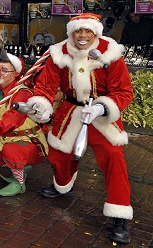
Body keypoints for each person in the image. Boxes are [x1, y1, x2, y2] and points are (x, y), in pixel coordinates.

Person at [26, 13, 134, 244]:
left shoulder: (110, 53)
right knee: (57, 155)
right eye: (78, 31)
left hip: (102, 115)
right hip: (71, 111)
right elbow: (46, 85)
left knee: (114, 157)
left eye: (88, 32)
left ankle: (119, 213)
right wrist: (41, 105)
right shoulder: (60, 52)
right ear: (71, 32)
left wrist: (103, 108)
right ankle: (63, 186)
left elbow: (123, 91)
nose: (82, 36)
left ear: (96, 33)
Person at [0, 50, 48, 196]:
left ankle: (19, 184)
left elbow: (10, 122)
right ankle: (19, 168)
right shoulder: (0, 94)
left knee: (11, 151)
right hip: (6, 140)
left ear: (15, 73)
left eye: (4, 70)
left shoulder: (22, 93)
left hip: (29, 142)